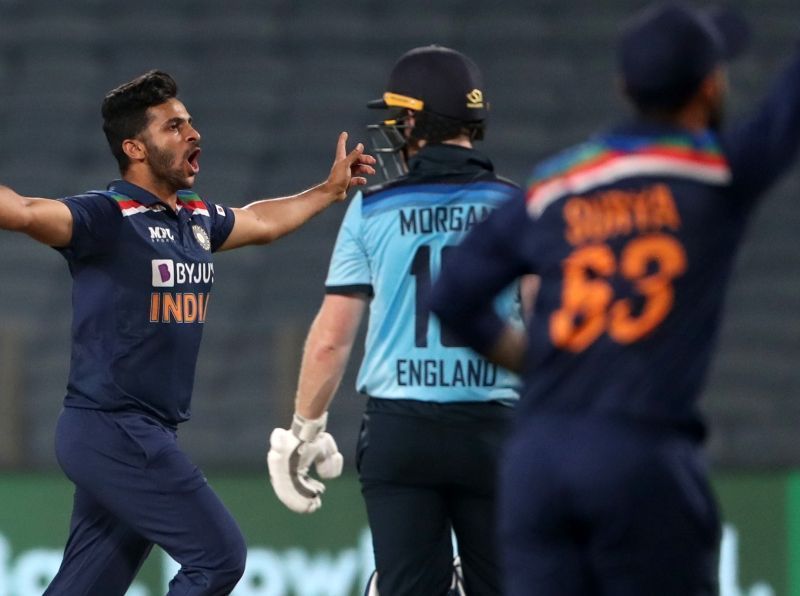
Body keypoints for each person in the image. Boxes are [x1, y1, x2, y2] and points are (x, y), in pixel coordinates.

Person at [429, 4, 800, 595]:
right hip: (639, 458)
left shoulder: (558, 185)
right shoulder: (715, 171)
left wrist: (534, 358)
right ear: (710, 87)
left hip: (537, 460)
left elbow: (451, 297)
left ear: (624, 87)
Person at [0, 69, 374, 595]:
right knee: (219, 557)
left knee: (86, 587)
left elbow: (260, 222)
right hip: (113, 428)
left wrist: (329, 191)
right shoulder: (108, 217)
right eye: (174, 127)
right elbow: (22, 211)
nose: (192, 133)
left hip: (136, 431)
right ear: (134, 147)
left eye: (190, 123)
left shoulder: (194, 217)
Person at [267, 46, 525, 595]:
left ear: (412, 120)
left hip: (401, 430)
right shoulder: (519, 208)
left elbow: (331, 342)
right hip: (494, 432)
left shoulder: (372, 208)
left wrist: (303, 430)